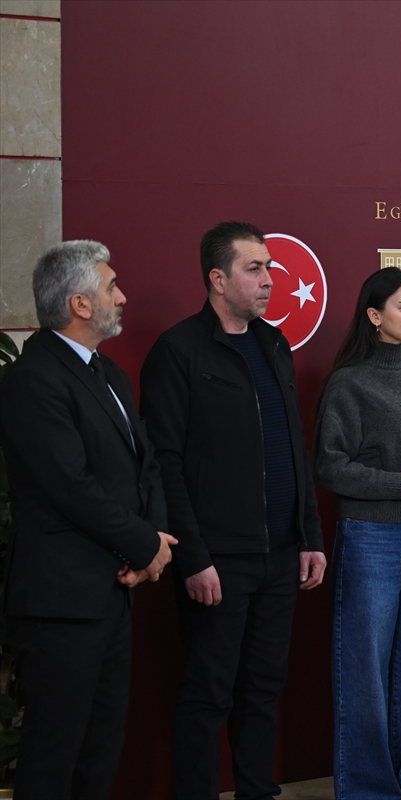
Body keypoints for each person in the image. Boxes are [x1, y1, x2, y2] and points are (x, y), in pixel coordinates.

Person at [140, 221, 327, 799]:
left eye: (269, 268)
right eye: (255, 268)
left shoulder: (273, 343)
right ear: (218, 279)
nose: (270, 279)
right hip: (217, 561)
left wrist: (310, 536)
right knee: (208, 693)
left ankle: (256, 790)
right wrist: (194, 558)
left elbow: (294, 446)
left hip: (281, 554)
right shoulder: (178, 350)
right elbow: (165, 463)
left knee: (264, 689)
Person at [0, 241, 176, 799]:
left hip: (113, 591)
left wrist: (153, 543)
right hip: (61, 603)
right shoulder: (32, 378)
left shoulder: (110, 374)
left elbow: (147, 466)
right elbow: (69, 487)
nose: (121, 297)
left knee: (100, 752)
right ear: (79, 303)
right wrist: (145, 545)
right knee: (55, 756)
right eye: (110, 287)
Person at [313, 267, 401, 799]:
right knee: (365, 675)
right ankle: (368, 793)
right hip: (371, 536)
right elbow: (330, 466)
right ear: (374, 316)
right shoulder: (349, 382)